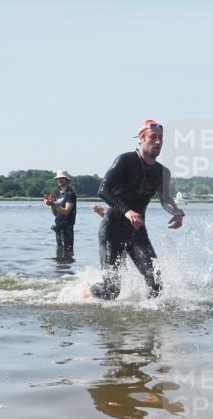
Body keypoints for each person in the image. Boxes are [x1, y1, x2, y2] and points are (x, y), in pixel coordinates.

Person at [88, 119, 185, 300]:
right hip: (112, 229)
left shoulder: (162, 172)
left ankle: (149, 324)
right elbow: (103, 190)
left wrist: (177, 212)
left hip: (137, 232)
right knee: (112, 291)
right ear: (141, 138)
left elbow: (165, 200)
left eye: (161, 138)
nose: (158, 142)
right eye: (153, 137)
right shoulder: (125, 160)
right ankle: (88, 291)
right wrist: (127, 211)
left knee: (156, 283)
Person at [44, 170, 77, 260]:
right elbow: (56, 214)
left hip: (66, 228)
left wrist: (53, 204)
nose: (59, 180)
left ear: (67, 180)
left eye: (62, 178)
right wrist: (51, 205)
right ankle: (60, 272)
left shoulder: (70, 194)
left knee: (67, 252)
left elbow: (66, 211)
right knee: (59, 251)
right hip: (59, 227)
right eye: (58, 178)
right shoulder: (61, 195)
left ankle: (67, 271)